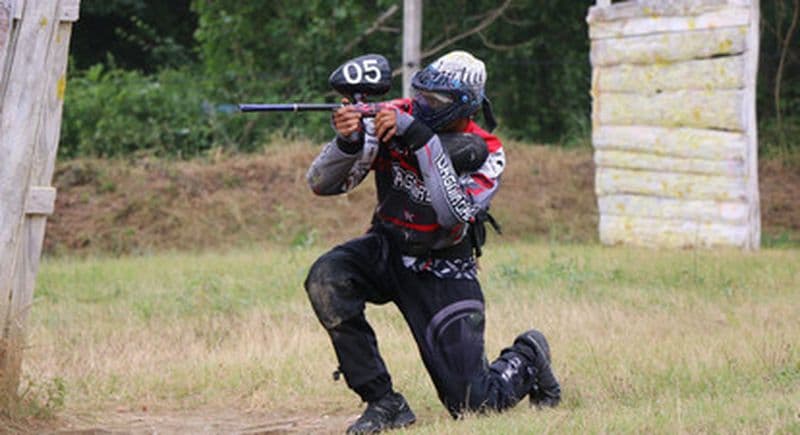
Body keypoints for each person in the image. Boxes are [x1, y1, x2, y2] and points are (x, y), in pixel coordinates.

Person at [304, 51, 561, 434]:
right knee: (328, 277)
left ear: (466, 105)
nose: (423, 105)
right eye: (422, 95)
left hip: (443, 268)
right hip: (387, 247)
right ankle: (383, 402)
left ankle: (528, 355)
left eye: (436, 101)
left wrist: (420, 139)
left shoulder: (488, 151)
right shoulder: (392, 115)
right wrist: (350, 141)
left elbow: (452, 214)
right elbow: (322, 184)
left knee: (474, 406)